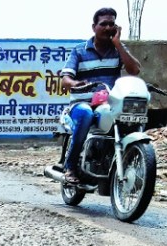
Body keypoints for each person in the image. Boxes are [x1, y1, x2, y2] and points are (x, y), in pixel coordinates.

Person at [60, 7, 141, 184]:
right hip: (81, 103)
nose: (108, 27)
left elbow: (134, 70)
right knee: (86, 114)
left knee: (125, 120)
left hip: (107, 104)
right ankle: (70, 166)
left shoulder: (118, 50)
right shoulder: (79, 51)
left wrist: (118, 43)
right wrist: (75, 83)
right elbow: (65, 79)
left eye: (112, 24)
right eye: (103, 24)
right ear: (94, 27)